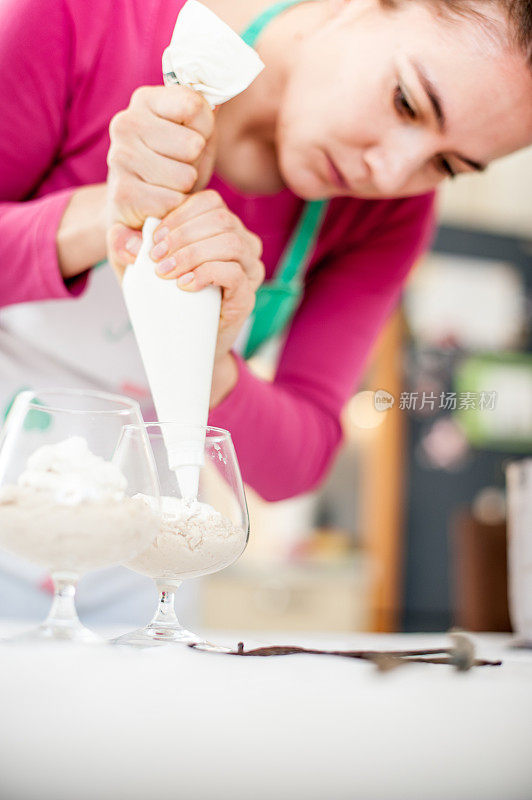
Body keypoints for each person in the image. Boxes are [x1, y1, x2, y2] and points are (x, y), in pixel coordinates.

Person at [0, 0, 531, 620]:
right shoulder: (83, 18)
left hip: (139, 572)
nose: (388, 173)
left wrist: (212, 357)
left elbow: (297, 463)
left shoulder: (390, 216)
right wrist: (107, 214)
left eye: (445, 165)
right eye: (406, 101)